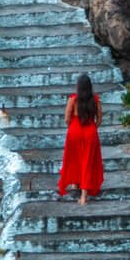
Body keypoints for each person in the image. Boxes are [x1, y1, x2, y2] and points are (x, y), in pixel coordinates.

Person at [57, 71, 104, 205]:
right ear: (90, 86)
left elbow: (67, 118)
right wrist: (93, 127)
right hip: (90, 131)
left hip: (75, 131)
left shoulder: (73, 99)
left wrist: (72, 127)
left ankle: (75, 184)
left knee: (74, 158)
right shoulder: (95, 99)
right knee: (87, 161)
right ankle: (83, 195)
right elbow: (99, 118)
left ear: (78, 86)